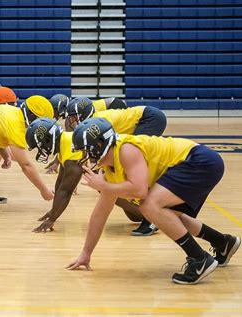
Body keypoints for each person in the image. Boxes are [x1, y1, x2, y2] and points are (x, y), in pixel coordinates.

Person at [67, 117, 241, 285]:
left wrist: (104, 187)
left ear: (99, 145)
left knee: (149, 205)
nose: (85, 155)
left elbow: (140, 190)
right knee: (167, 216)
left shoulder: (126, 150)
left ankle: (199, 259)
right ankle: (223, 242)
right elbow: (100, 215)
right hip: (197, 162)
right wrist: (86, 253)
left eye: (86, 149)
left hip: (199, 161)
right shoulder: (109, 171)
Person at [66, 97, 167, 236]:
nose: (71, 120)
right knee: (118, 172)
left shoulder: (98, 124)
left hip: (150, 118)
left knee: (133, 166)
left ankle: (152, 218)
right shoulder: (94, 122)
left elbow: (105, 149)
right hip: (147, 117)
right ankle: (146, 210)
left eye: (73, 116)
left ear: (82, 114)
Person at [26, 118, 83, 233]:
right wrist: (54, 211)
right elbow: (60, 183)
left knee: (109, 192)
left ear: (48, 139)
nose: (40, 150)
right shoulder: (64, 142)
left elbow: (66, 190)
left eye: (39, 146)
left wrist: (52, 219)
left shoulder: (70, 148)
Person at [44, 96, 127, 174]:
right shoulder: (75, 112)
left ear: (59, 108)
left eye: (53, 111)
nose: (53, 114)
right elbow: (70, 142)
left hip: (115, 106)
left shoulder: (73, 116)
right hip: (110, 107)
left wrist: (59, 162)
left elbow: (70, 142)